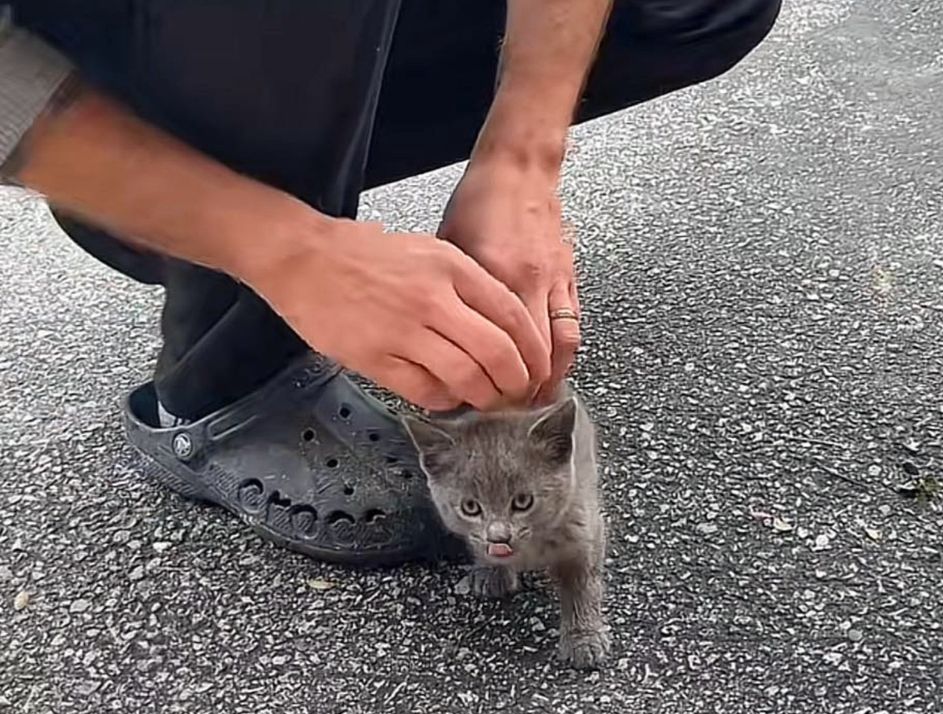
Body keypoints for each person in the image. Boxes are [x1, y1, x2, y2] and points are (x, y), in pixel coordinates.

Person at [0, 0, 780, 565]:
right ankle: (226, 375)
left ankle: (294, 142)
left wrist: (522, 156)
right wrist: (291, 252)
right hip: (92, 70)